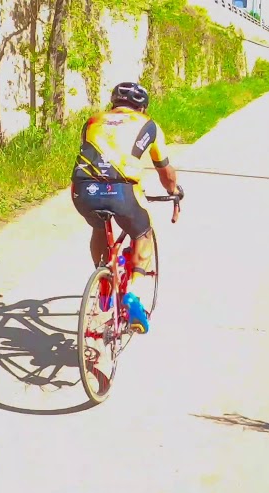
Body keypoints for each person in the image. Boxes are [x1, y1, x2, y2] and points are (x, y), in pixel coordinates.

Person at [70, 80, 184, 334]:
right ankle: (132, 295)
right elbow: (165, 172)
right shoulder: (148, 125)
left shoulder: (92, 121)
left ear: (113, 104)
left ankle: (104, 281)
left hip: (82, 189)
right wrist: (173, 191)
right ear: (142, 107)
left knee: (99, 227)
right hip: (121, 190)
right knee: (143, 233)